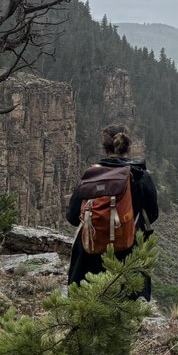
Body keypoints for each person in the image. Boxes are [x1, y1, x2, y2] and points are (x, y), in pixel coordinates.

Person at [66, 124, 159, 297]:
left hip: (88, 258)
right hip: (129, 256)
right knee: (128, 310)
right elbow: (152, 215)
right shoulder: (140, 175)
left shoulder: (91, 176)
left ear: (105, 147)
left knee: (88, 309)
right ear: (128, 146)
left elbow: (72, 217)